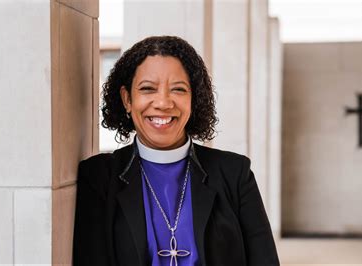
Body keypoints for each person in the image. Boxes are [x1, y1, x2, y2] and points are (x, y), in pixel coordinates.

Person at [73, 36, 279, 266]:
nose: (163, 102)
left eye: (178, 89)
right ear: (127, 99)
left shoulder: (234, 173)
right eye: (148, 89)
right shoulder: (99, 177)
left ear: (193, 99)